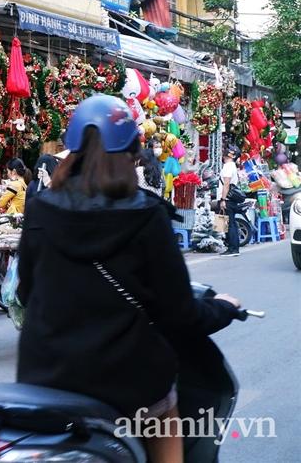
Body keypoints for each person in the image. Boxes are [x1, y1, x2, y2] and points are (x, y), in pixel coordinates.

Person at [16, 96, 241, 462]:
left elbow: (26, 292)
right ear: (132, 155)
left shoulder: (40, 208)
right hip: (124, 383)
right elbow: (178, 315)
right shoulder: (147, 215)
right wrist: (223, 309)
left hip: (43, 378)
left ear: (71, 148)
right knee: (167, 410)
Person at [218, 146, 243, 257]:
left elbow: (226, 184)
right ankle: (230, 247)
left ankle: (232, 248)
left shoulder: (228, 166)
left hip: (227, 199)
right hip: (229, 199)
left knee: (229, 223)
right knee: (226, 223)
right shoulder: (231, 166)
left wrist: (223, 199)